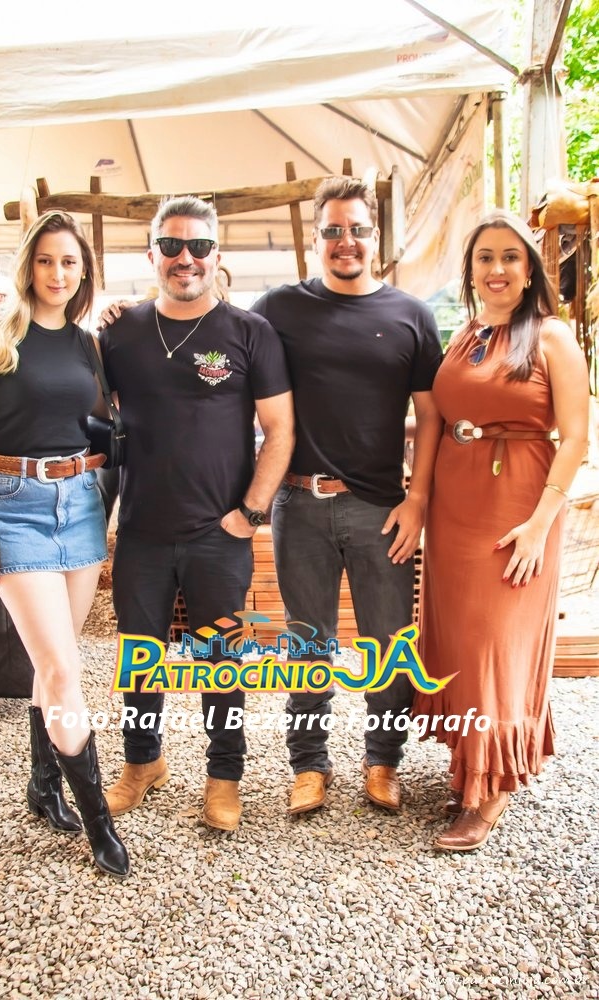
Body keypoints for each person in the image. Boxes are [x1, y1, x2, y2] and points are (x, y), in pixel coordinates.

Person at [98, 195, 294, 831]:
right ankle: (141, 763)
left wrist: (250, 514)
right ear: (152, 254)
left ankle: (224, 776)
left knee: (222, 663)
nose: (187, 258)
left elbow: (280, 431)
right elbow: (92, 416)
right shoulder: (119, 333)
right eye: (173, 245)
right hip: (143, 532)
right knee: (139, 657)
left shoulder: (249, 332)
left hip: (219, 534)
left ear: (217, 254)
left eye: (200, 246)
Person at [251, 176, 444, 815]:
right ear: (316, 238)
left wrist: (418, 499)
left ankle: (382, 761)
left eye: (357, 229)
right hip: (298, 503)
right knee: (307, 642)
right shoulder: (278, 308)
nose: (345, 241)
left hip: (380, 507)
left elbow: (432, 416)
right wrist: (128, 312)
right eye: (332, 230)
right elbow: (215, 340)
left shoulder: (411, 315)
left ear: (375, 236)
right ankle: (309, 766)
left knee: (389, 643)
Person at [0, 211, 129, 877]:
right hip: (13, 506)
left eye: (70, 262)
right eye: (47, 260)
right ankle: (99, 822)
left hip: (79, 504)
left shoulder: (89, 345)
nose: (58, 273)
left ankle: (41, 783)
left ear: (84, 271)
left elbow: (105, 422)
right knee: (61, 668)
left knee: (50, 659)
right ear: (28, 264)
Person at [413, 209, 589, 851]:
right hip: (456, 508)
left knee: (496, 644)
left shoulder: (551, 337)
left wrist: (539, 525)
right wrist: (419, 497)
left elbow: (576, 439)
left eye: (510, 257)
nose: (497, 269)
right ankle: (472, 765)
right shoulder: (466, 335)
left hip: (517, 508)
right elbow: (436, 416)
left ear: (530, 269)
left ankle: (490, 792)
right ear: (470, 271)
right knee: (463, 644)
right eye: (485, 257)